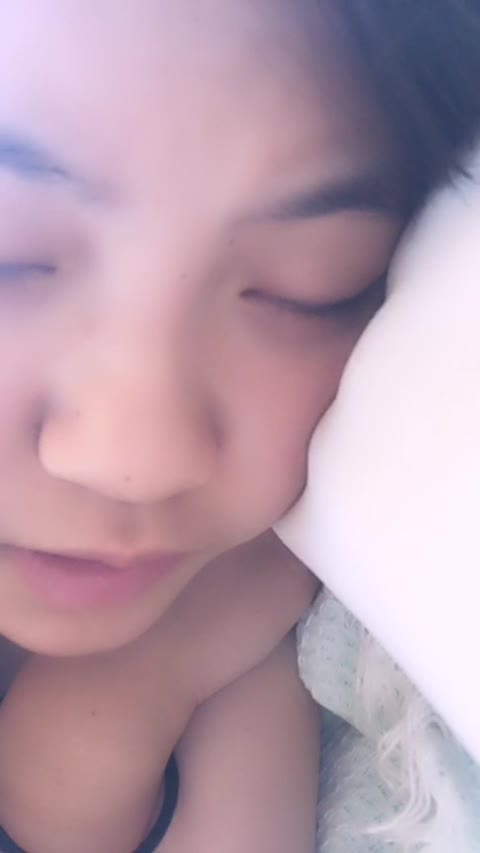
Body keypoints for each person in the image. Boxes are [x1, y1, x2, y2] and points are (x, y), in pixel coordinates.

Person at [0, 2, 478, 852]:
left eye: (309, 288)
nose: (134, 457)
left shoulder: (240, 597)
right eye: (11, 255)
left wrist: (124, 697)